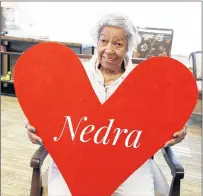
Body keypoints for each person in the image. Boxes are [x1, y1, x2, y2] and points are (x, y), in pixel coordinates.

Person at [26, 13, 187, 196]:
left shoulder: (146, 84)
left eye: (118, 44)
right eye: (104, 41)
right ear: (97, 41)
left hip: (128, 164)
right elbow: (50, 114)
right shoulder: (73, 76)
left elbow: (164, 120)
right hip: (74, 161)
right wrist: (35, 125)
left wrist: (177, 131)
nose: (109, 50)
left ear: (129, 47)